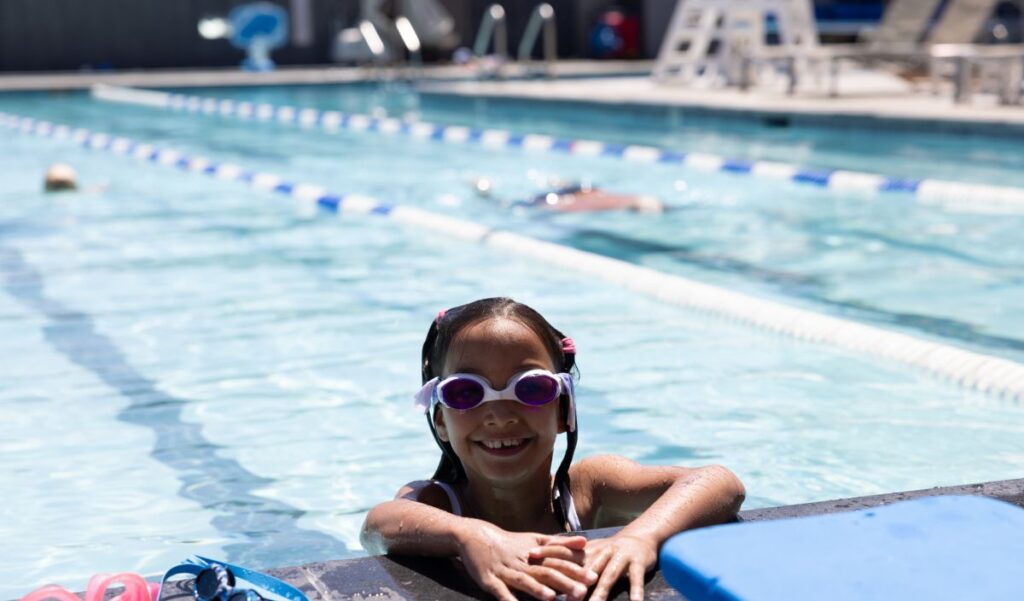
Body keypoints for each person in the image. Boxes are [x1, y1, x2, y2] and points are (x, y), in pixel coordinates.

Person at [361, 298, 745, 601]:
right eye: (466, 392)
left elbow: (719, 482)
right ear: (441, 422)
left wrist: (640, 537)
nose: (498, 415)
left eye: (530, 388)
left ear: (564, 410)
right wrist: (471, 536)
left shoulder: (589, 488)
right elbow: (379, 526)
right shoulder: (439, 503)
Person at [474, 177, 665, 214]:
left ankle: (485, 194)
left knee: (508, 204)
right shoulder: (608, 200)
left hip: (568, 194)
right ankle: (485, 194)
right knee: (506, 205)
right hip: (561, 198)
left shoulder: (605, 197)